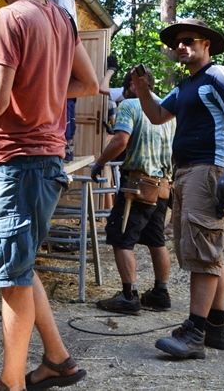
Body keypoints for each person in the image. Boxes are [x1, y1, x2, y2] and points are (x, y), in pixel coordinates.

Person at [0, 0, 98, 391]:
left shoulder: (9, 17)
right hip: (48, 160)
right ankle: (59, 361)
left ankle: (11, 384)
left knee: (10, 277)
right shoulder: (60, 18)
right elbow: (90, 84)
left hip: (19, 161)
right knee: (23, 269)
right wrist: (42, 91)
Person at [130, 18, 224, 359]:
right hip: (184, 173)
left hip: (208, 169)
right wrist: (141, 87)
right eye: (176, 43)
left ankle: (194, 333)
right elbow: (156, 115)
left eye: (188, 40)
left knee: (202, 249)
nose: (180, 46)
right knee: (206, 247)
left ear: (206, 44)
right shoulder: (185, 87)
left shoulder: (218, 75)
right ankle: (215, 328)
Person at [90, 68, 175, 314]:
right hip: (161, 186)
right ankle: (161, 293)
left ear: (132, 86)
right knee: (156, 239)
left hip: (137, 186)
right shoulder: (168, 110)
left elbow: (120, 141)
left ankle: (129, 295)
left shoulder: (130, 105)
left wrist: (100, 162)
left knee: (121, 238)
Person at [38, 0, 78, 160]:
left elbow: (65, 29)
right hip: (60, 60)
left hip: (61, 60)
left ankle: (65, 149)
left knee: (64, 101)